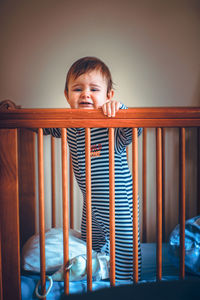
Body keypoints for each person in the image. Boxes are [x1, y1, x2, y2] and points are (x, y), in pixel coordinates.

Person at [44, 56, 142, 281]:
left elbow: (134, 131)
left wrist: (121, 111)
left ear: (109, 96)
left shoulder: (111, 123)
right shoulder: (69, 125)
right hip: (91, 199)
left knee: (122, 243)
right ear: (67, 96)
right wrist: (16, 115)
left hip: (117, 197)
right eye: (77, 89)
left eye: (94, 89)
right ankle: (98, 275)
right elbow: (43, 126)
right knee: (92, 241)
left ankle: (125, 283)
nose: (85, 94)